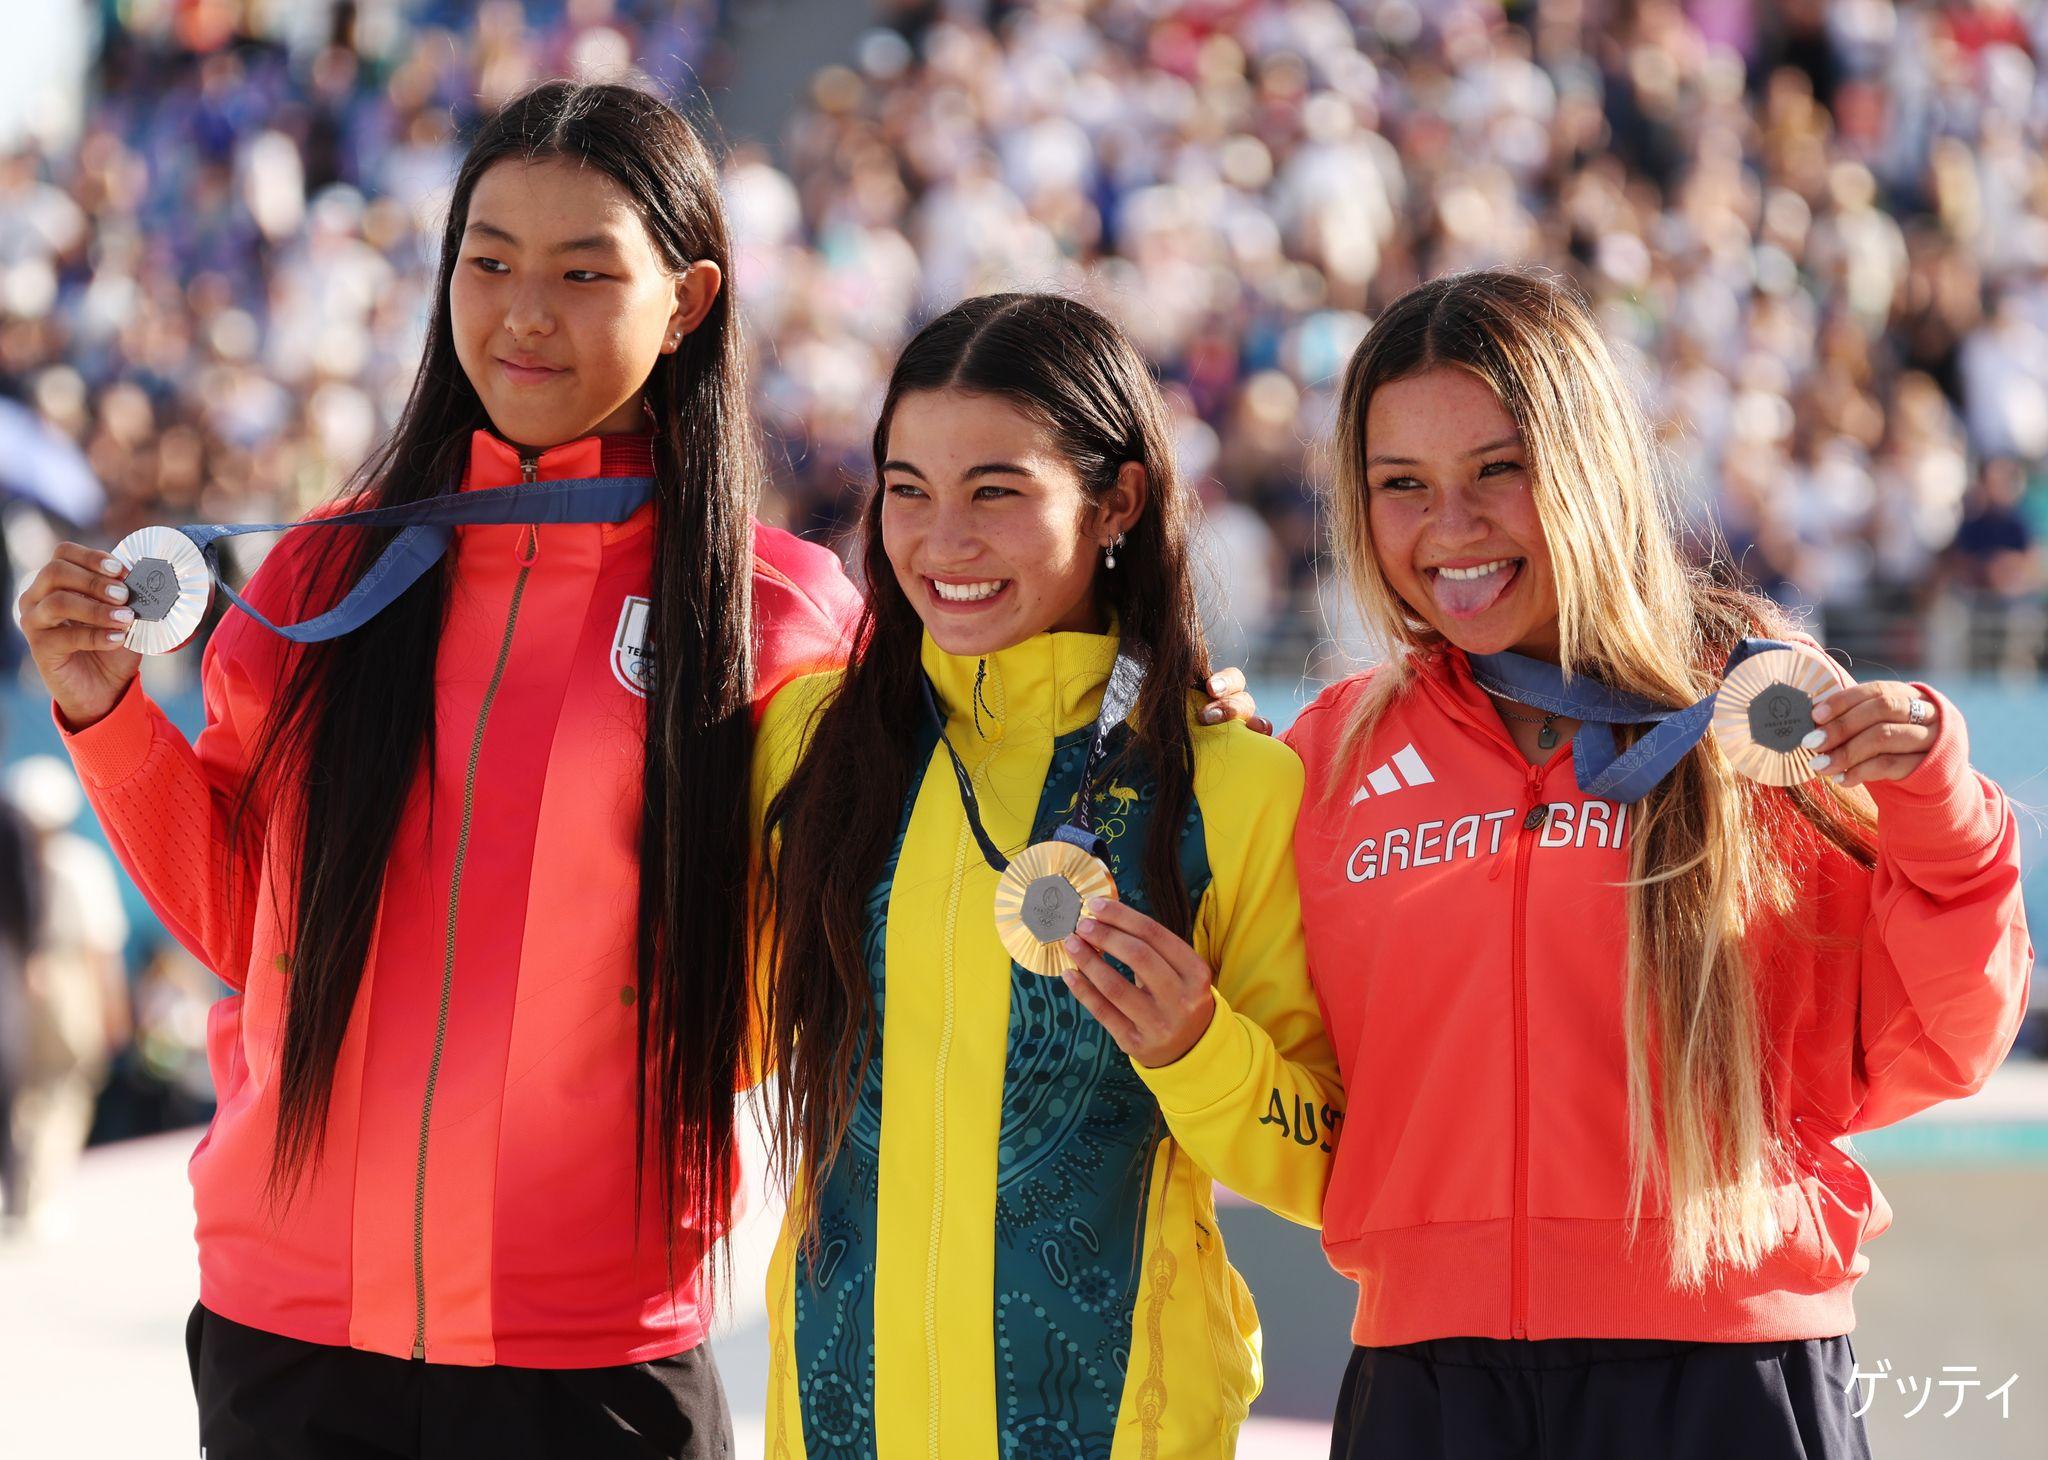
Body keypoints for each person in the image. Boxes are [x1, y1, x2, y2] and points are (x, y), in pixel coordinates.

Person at [16, 80, 866, 1459]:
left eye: (586, 272)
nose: (525, 311)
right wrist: (109, 715)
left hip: (587, 1344)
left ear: (690, 298)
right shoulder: (320, 577)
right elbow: (242, 924)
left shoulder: (782, 616)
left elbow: (846, 939)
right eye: (488, 261)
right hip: (288, 1337)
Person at [1283, 269, 2031, 1460]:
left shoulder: (1761, 707)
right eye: (1400, 486)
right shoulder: (1330, 750)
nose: (1449, 525)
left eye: (1498, 468)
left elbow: (1939, 1040)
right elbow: (1282, 1066)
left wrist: (1934, 805)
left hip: (1725, 1373)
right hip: (1425, 1385)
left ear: (1587, 465)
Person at [751, 292, 1344, 1458]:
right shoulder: (809, 744)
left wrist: (1195, 1049)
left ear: (1116, 498)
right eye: (907, 488)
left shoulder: (1231, 787)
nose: (939, 541)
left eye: (997, 492)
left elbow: (1324, 1164)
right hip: (830, 1423)